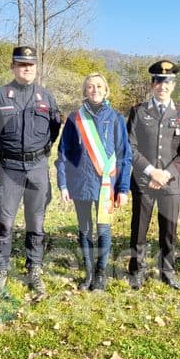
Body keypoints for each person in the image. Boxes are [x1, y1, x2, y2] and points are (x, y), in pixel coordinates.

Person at [0, 46, 62, 298]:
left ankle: (33, 267)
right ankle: (0, 268)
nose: (26, 68)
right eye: (21, 64)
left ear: (36, 68)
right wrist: (0, 160)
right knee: (5, 221)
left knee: (36, 222)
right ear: (13, 67)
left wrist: (41, 153)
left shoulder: (46, 97)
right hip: (10, 168)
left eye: (31, 64)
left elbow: (54, 130)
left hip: (37, 168)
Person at [55, 73, 132, 291]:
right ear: (85, 91)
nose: (95, 90)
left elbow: (124, 155)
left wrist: (123, 188)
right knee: (84, 230)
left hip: (106, 186)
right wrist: (63, 184)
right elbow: (63, 154)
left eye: (99, 86)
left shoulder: (116, 118)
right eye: (90, 87)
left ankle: (101, 273)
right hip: (79, 183)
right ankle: (88, 273)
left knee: (103, 230)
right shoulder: (74, 118)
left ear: (106, 90)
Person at [126, 60, 180, 290]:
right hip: (144, 179)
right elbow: (130, 146)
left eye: (166, 82)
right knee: (139, 228)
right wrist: (151, 171)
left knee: (169, 229)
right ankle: (137, 269)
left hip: (170, 182)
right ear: (152, 84)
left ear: (173, 85)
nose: (162, 86)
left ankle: (168, 269)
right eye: (157, 81)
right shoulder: (138, 111)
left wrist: (166, 173)